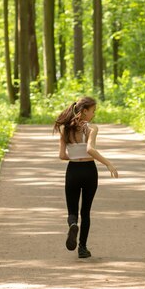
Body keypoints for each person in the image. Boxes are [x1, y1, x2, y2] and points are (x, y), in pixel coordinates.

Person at [54, 96, 118, 258]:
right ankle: (82, 248)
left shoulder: (65, 129)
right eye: (93, 111)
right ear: (84, 111)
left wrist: (75, 157)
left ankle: (73, 224)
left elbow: (62, 155)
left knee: (72, 210)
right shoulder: (91, 128)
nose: (94, 114)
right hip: (89, 171)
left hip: (73, 171)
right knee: (86, 211)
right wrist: (108, 163)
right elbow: (90, 149)